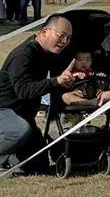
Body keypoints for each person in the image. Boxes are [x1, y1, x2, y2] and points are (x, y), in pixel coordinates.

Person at [0, 14, 75, 174]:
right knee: (20, 130)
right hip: (4, 112)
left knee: (39, 167)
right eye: (61, 36)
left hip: (22, 116)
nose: (64, 42)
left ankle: (9, 158)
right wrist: (56, 81)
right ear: (45, 31)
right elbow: (23, 91)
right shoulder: (23, 55)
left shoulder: (47, 53)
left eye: (68, 38)